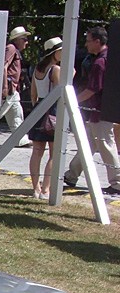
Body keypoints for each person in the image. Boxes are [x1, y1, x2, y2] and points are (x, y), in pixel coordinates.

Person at [64, 27, 120, 195]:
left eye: (88, 41)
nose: (86, 45)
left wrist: (72, 100)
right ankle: (71, 175)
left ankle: (117, 183)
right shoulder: (110, 57)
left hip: (100, 111)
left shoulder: (99, 63)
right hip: (102, 110)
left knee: (105, 145)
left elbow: (92, 89)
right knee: (88, 144)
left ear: (97, 41)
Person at [28, 37, 63, 199]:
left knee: (36, 152)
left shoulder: (37, 69)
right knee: (54, 153)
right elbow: (60, 92)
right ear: (54, 53)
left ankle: (35, 188)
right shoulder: (55, 69)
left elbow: (33, 93)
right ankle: (46, 189)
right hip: (52, 110)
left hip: (39, 108)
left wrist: (36, 109)